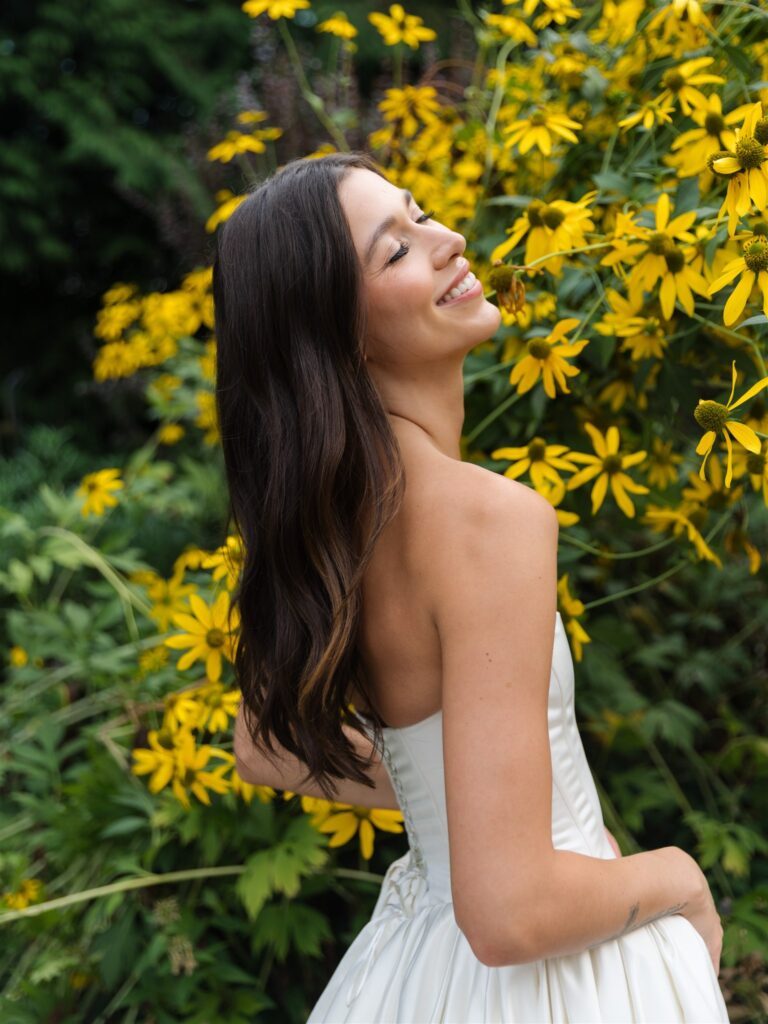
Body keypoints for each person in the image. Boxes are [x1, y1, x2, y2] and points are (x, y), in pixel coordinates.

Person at [212, 151, 730, 1023]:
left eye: (420, 214)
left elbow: (262, 741)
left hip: (414, 975)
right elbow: (512, 912)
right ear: (341, 335)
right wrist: (678, 877)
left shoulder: (332, 530)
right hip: (554, 986)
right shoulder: (489, 521)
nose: (449, 238)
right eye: (396, 250)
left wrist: (462, 806)